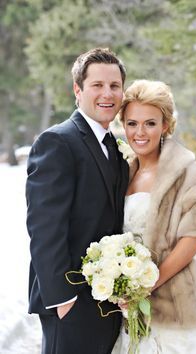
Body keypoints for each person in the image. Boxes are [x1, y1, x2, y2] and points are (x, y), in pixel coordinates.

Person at [26, 48, 129, 354]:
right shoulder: (57, 141)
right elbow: (44, 227)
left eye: (114, 86)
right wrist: (63, 299)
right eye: (97, 85)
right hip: (71, 304)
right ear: (78, 90)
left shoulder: (117, 147)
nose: (107, 93)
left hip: (108, 300)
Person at [112, 80, 196, 353]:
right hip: (127, 313)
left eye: (150, 123)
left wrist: (148, 283)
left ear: (166, 125)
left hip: (170, 306)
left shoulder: (186, 171)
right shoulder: (124, 172)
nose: (140, 132)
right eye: (132, 123)